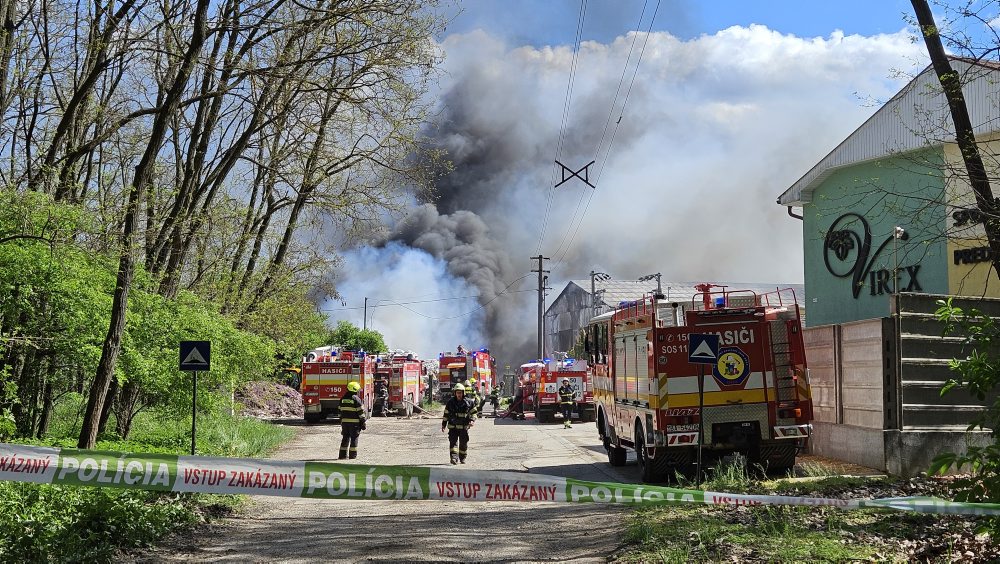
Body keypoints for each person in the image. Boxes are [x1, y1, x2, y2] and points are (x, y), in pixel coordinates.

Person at [442, 383, 477, 464]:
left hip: (463, 428)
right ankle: (454, 458)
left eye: (460, 393)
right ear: (455, 393)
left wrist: (472, 420)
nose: (459, 395)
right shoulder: (450, 402)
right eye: (457, 393)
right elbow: (446, 414)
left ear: (463, 393)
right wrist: (443, 424)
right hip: (453, 427)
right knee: (453, 443)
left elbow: (474, 413)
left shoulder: (469, 402)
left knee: (463, 444)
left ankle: (462, 458)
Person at [339, 381, 367, 459]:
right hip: (354, 423)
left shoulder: (342, 399)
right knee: (354, 438)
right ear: (355, 390)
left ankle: (342, 455)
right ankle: (352, 456)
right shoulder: (356, 399)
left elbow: (340, 411)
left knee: (345, 438)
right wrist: (363, 422)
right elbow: (360, 412)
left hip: (344, 423)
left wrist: (341, 420)